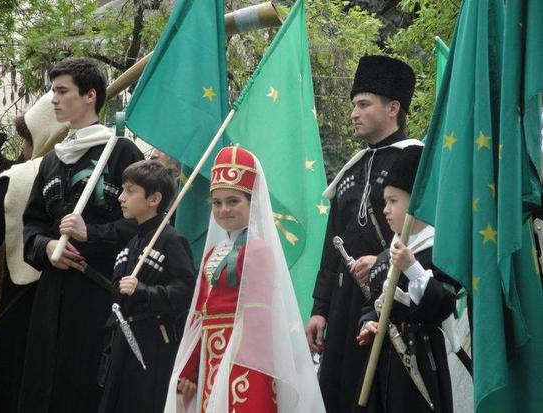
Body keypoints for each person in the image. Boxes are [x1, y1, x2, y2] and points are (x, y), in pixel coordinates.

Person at [20, 57, 143, 413]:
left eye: (62, 91)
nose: (54, 100)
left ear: (90, 95)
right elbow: (32, 226)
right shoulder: (51, 161)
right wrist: (47, 247)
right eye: (52, 91)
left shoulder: (121, 152)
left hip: (101, 295)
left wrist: (93, 233)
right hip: (51, 300)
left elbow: (147, 224)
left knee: (88, 389)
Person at [163, 146, 324, 413]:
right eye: (217, 203)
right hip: (209, 354)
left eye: (233, 201)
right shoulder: (213, 253)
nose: (224, 209)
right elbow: (199, 316)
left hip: (244, 360)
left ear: (253, 203)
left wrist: (235, 366)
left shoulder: (258, 250)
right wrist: (189, 369)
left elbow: (257, 318)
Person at [304, 55, 422, 412]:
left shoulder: (416, 160)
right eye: (354, 104)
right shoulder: (352, 169)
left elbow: (427, 233)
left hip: (392, 301)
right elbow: (332, 244)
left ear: (393, 108)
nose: (354, 113)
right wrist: (320, 309)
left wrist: (384, 259)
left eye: (364, 104)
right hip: (344, 306)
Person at [355, 145, 459, 413]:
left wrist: (412, 267)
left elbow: (443, 304)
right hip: (384, 363)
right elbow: (373, 302)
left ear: (418, 202)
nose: (385, 210)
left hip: (420, 359)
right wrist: (368, 323)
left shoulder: (439, 250)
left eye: (393, 201)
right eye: (384, 201)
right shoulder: (389, 252)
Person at [97, 160, 195, 413]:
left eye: (130, 191)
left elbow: (186, 291)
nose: (121, 197)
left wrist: (144, 291)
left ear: (154, 199)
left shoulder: (171, 239)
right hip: (122, 340)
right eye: (123, 190)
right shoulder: (134, 241)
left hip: (153, 344)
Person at [0, 94, 66, 412]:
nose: (24, 147)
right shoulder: (94, 173)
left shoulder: (15, 179)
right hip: (72, 306)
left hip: (19, 304)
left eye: (27, 137)